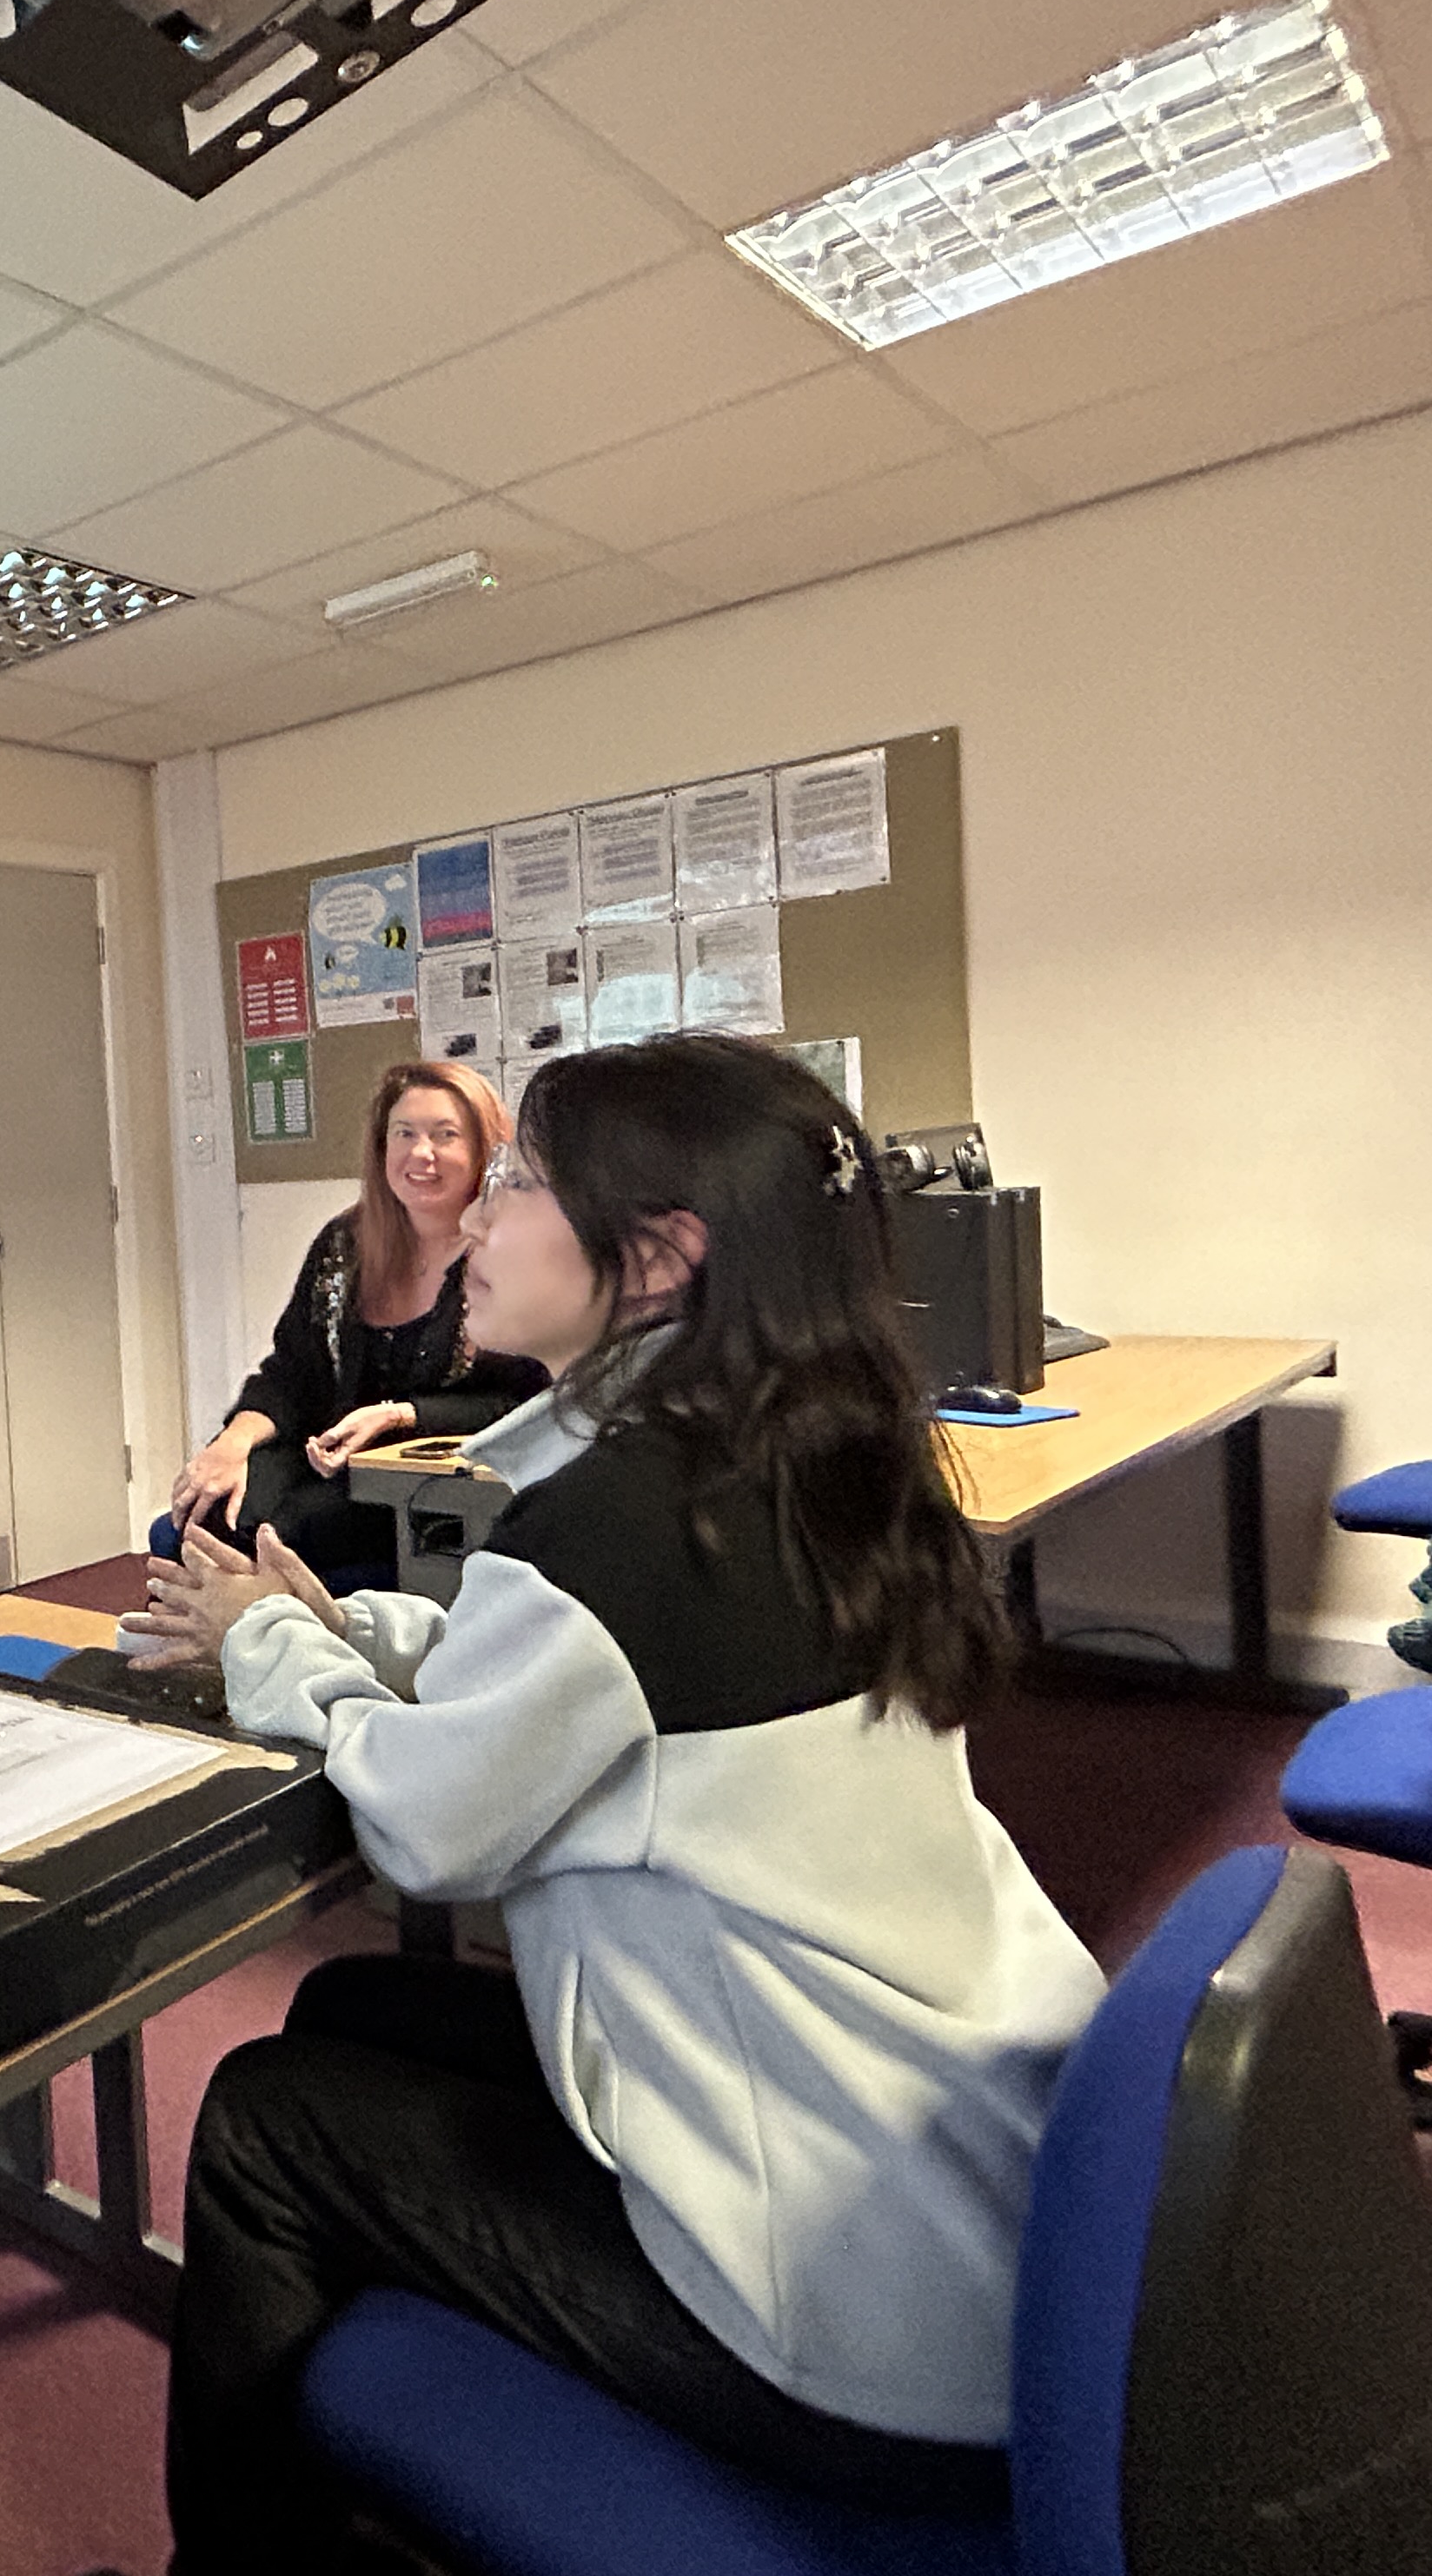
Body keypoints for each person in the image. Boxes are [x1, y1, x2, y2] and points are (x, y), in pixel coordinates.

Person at [124, 1033, 1104, 2573]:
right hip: (963, 2186)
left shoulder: (616, 1526)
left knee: (263, 2115)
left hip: (849, 2329)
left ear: (656, 1257)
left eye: (519, 1184)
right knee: (354, 2017)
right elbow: (572, 1680)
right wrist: (332, 1621)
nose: (477, 1216)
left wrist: (266, 1645)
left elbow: (425, 1828)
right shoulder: (790, 1454)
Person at [168, 1060, 543, 1576]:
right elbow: (290, 1374)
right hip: (318, 1452)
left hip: (413, 1477)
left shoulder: (505, 1253)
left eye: (445, 1135)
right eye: (405, 1134)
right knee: (204, 1519)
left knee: (284, 1538)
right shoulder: (343, 1244)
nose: (422, 1153)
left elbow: (526, 1401)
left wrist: (400, 1414)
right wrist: (231, 1443)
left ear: (484, 1149)